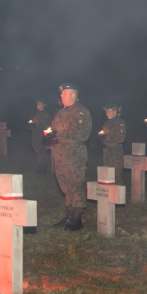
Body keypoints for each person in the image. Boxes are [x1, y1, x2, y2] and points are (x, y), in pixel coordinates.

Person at [45, 83, 92, 231]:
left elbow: (83, 134)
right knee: (65, 186)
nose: (61, 95)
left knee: (75, 185)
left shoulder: (81, 113)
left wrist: (59, 133)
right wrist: (50, 133)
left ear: (73, 94)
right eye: (61, 93)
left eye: (64, 93)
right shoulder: (60, 113)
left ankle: (77, 218)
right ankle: (69, 215)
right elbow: (54, 127)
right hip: (60, 154)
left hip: (74, 155)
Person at [99, 103, 126, 184]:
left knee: (116, 175)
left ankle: (119, 194)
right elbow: (103, 135)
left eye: (109, 111)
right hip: (107, 151)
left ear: (115, 111)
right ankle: (109, 194)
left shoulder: (120, 123)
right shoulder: (107, 124)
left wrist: (107, 137)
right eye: (106, 112)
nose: (106, 113)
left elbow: (121, 139)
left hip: (115, 151)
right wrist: (101, 137)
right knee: (107, 174)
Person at [30, 98, 52, 173]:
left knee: (42, 151)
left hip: (41, 136)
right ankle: (40, 166)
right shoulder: (37, 114)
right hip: (35, 135)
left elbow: (46, 125)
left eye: (39, 103)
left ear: (43, 105)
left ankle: (43, 167)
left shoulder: (45, 114)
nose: (37, 105)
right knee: (37, 150)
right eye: (37, 104)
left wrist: (35, 125)